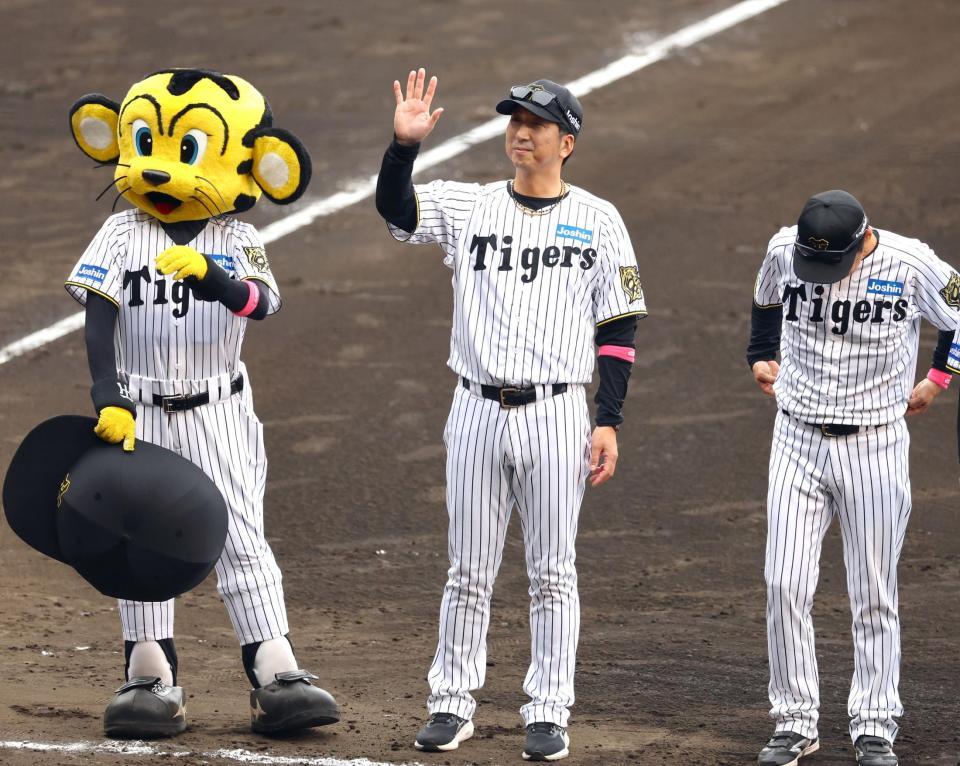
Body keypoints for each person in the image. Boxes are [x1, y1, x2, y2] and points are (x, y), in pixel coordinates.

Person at [375, 68, 646, 762]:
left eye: (536, 125)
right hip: (474, 410)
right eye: (514, 122)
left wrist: (607, 419)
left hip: (558, 415)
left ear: (567, 142)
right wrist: (403, 147)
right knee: (467, 569)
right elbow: (398, 213)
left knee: (553, 572)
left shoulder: (599, 220)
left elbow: (617, 328)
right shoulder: (468, 208)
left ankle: (549, 710)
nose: (521, 133)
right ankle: (450, 703)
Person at [65, 68, 338, 738]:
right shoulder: (121, 235)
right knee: (138, 538)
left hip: (219, 411)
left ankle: (275, 669)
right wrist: (109, 396)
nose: (159, 173)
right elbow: (98, 317)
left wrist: (213, 277)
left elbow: (262, 303)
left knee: (240, 533)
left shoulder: (240, 241)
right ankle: (150, 675)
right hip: (141, 410)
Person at [747, 189, 960, 766]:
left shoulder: (912, 263)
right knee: (784, 583)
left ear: (863, 241)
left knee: (871, 592)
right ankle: (794, 721)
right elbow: (766, 299)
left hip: (875, 445)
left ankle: (874, 723)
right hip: (796, 438)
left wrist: (939, 376)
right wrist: (760, 354)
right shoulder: (782, 250)